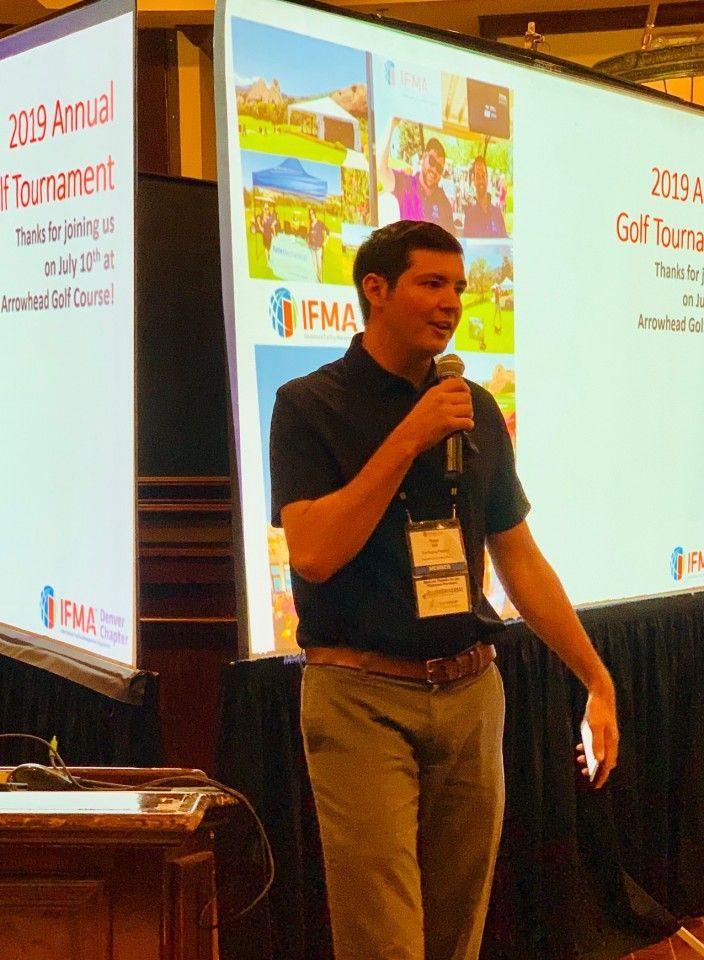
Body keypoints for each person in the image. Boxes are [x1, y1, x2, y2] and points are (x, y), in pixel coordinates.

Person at [269, 220, 618, 960]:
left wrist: (595, 676)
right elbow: (315, 553)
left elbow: (519, 559)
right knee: (384, 941)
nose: (452, 302)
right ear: (375, 289)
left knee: (455, 935)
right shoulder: (309, 405)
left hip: (470, 693)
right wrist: (407, 437)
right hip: (361, 697)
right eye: (432, 283)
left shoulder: (476, 408)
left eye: (458, 287)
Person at [378, 117, 455, 233]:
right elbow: (381, 171)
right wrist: (391, 125)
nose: (434, 170)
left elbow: (451, 240)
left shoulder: (444, 203)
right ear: (424, 157)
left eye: (439, 168)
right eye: (432, 162)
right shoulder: (406, 183)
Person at [463, 155, 508, 238]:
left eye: (483, 175)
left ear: (487, 178)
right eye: (478, 176)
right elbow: (466, 249)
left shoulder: (497, 214)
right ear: (474, 180)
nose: (481, 180)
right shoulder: (470, 216)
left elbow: (504, 245)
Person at [307, 207, 329, 282]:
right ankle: (316, 281)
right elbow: (309, 234)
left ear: (315, 214)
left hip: (318, 247)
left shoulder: (319, 223)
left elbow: (328, 231)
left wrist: (325, 241)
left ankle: (321, 280)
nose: (311, 215)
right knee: (314, 266)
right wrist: (308, 241)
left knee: (319, 265)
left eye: (312, 213)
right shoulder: (310, 223)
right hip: (311, 247)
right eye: (310, 214)